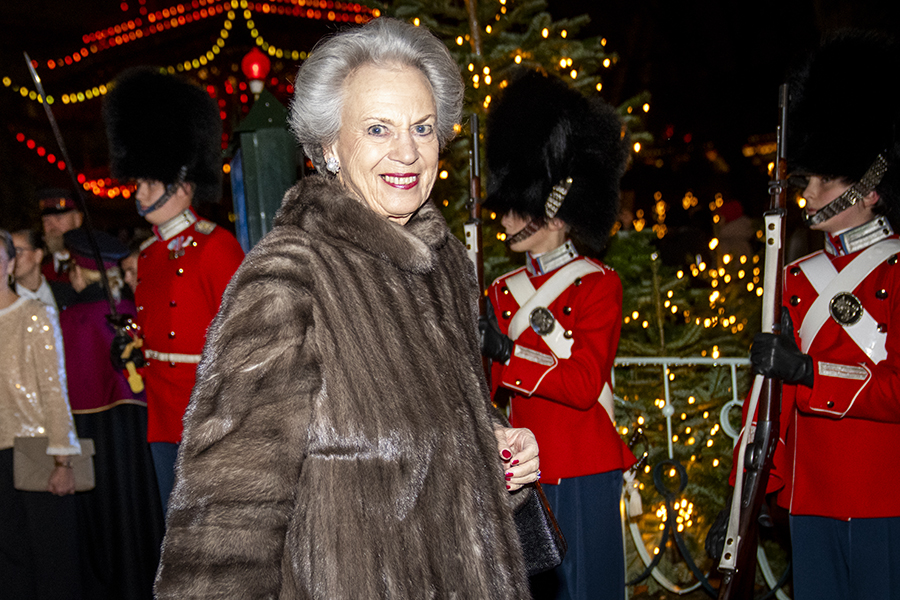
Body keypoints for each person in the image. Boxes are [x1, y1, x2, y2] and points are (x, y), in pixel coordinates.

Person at [154, 18, 539, 598]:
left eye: (423, 127)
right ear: (330, 146)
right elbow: (227, 513)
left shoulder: (446, 266)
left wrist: (495, 443)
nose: (407, 151)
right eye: (378, 128)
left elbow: (436, 419)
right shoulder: (289, 279)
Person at [747, 31, 900, 600]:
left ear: (869, 188)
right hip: (808, 498)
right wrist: (753, 490)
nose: (807, 194)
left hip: (882, 496)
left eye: (822, 180)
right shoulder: (794, 278)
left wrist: (810, 373)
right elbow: (771, 402)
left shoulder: (895, 271)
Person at [478, 71, 635, 600]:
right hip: (522, 467)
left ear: (557, 208)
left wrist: (507, 350)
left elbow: (583, 383)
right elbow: (488, 391)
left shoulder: (598, 284)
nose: (507, 216)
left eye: (520, 202)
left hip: (582, 462)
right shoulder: (501, 290)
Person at [103, 67, 245, 514]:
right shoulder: (146, 255)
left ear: (182, 185)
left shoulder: (216, 246)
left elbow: (243, 339)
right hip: (162, 413)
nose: (139, 193)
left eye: (149, 183)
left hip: (207, 414)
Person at [59, 228, 164, 599]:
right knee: (137, 507)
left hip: (89, 429)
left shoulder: (71, 319)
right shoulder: (128, 311)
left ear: (81, 271)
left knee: (101, 518)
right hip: (133, 430)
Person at [0, 228, 83, 599]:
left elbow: (54, 389)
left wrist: (63, 460)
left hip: (34, 447)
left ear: (10, 263)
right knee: (9, 562)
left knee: (52, 563)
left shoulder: (35, 314)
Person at [12, 229, 76, 312]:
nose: (12, 259)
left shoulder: (66, 293)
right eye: (9, 253)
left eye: (18, 251)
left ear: (38, 255)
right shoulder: (6, 300)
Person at [38, 188, 83, 285]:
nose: (52, 226)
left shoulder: (90, 265)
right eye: (46, 220)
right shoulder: (37, 267)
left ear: (77, 219)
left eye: (59, 218)